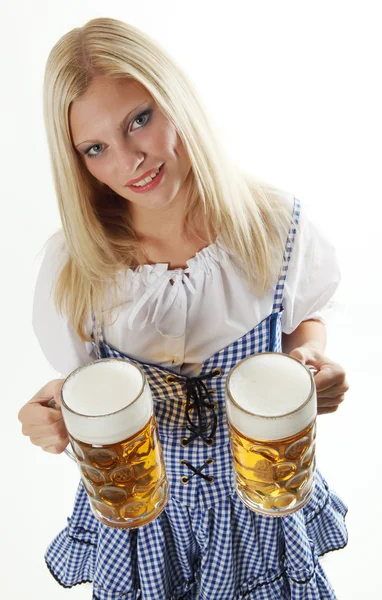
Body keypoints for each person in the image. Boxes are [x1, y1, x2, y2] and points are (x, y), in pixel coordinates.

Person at [18, 16, 349, 600]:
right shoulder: (75, 265)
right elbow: (84, 385)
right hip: (141, 522)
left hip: (258, 507)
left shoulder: (273, 224)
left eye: (139, 120)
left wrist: (311, 357)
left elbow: (302, 321)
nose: (129, 162)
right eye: (96, 148)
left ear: (175, 100)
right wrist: (51, 411)